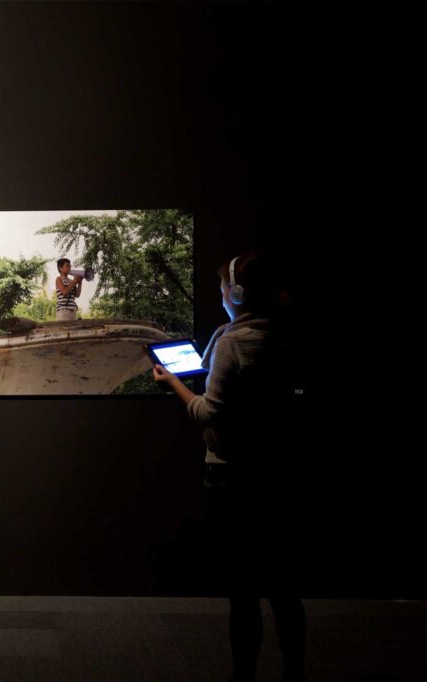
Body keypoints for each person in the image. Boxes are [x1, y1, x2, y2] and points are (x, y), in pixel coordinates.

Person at [153, 252, 305, 682]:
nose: (221, 296)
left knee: (243, 591)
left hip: (233, 477)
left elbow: (209, 413)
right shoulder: (286, 334)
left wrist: (175, 384)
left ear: (237, 294)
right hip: (282, 474)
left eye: (223, 290)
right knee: (284, 588)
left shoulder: (233, 341)